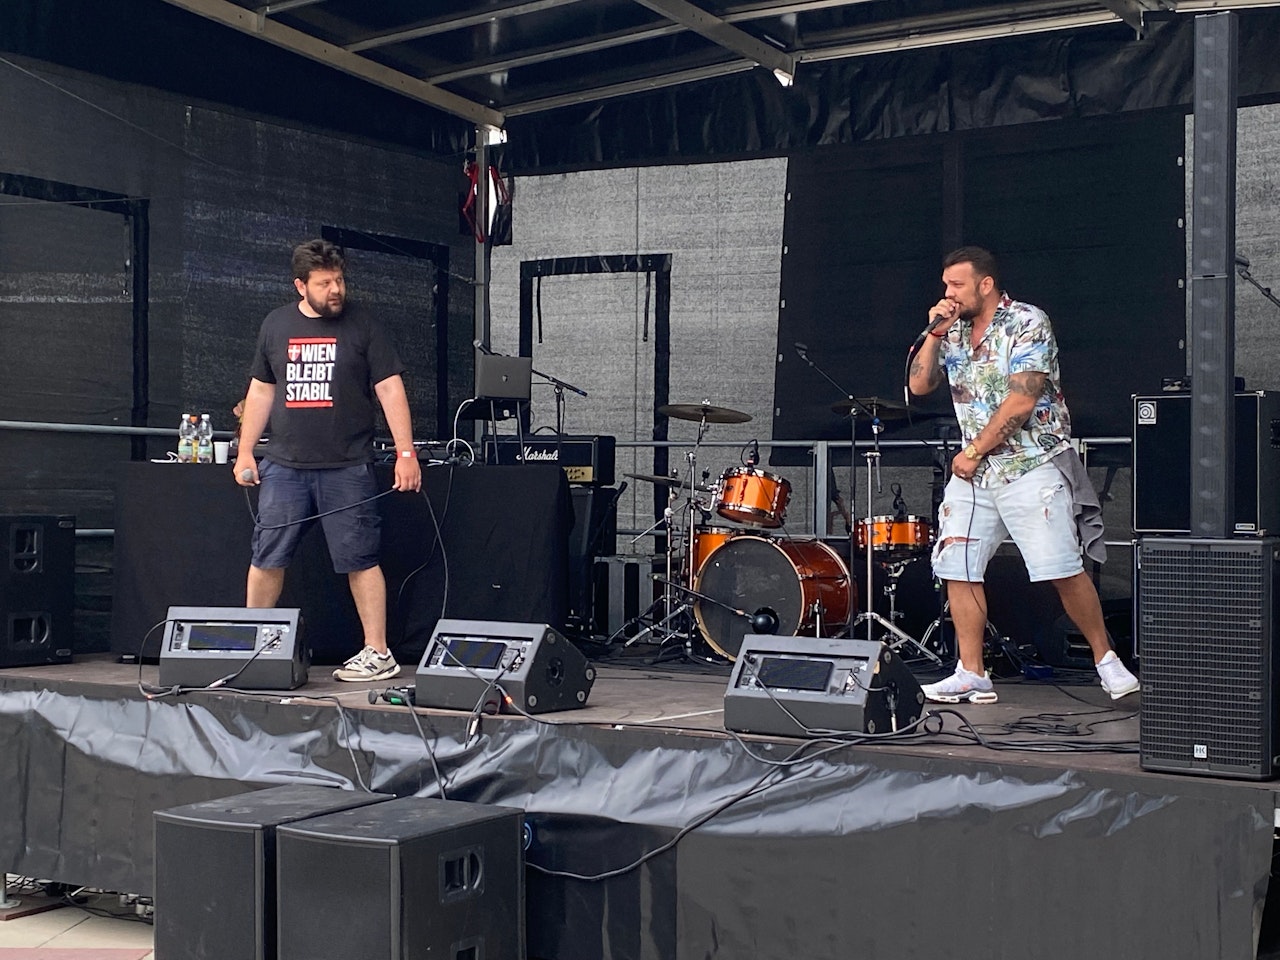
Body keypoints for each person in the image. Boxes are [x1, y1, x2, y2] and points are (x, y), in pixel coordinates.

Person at [906, 246, 1138, 704]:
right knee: (957, 565)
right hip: (976, 474)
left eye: (957, 284)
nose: (948, 292)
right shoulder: (953, 331)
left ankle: (1106, 659)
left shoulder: (1027, 321)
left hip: (1030, 464)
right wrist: (935, 333)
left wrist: (974, 450)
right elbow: (919, 384)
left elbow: (1022, 401)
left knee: (1060, 567)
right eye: (945, 284)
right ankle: (971, 672)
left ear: (985, 284)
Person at [233, 239, 422, 682]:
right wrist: (244, 450)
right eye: (324, 283)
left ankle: (378, 652)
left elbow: (390, 388)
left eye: (339, 280)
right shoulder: (276, 324)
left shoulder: (364, 324)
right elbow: (261, 390)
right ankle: (252, 645)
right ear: (300, 286)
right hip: (284, 464)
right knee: (266, 556)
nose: (336, 289)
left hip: (347, 464)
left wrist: (406, 452)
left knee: (360, 558)